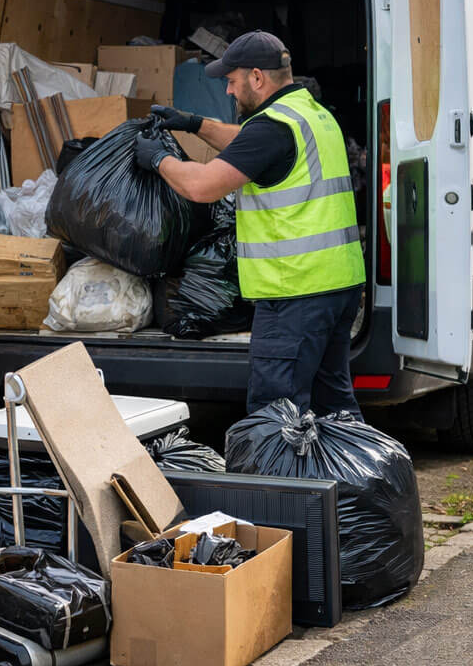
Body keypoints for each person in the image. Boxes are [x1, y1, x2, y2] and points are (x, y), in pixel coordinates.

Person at [134, 30, 366, 418]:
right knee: (333, 407)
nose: (228, 91)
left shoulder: (272, 128)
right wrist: (193, 123)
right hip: (336, 286)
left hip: (295, 293)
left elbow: (202, 186)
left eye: (231, 81)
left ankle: (280, 464)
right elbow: (247, 141)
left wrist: (159, 159)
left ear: (256, 77)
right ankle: (357, 459)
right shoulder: (311, 114)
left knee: (278, 415)